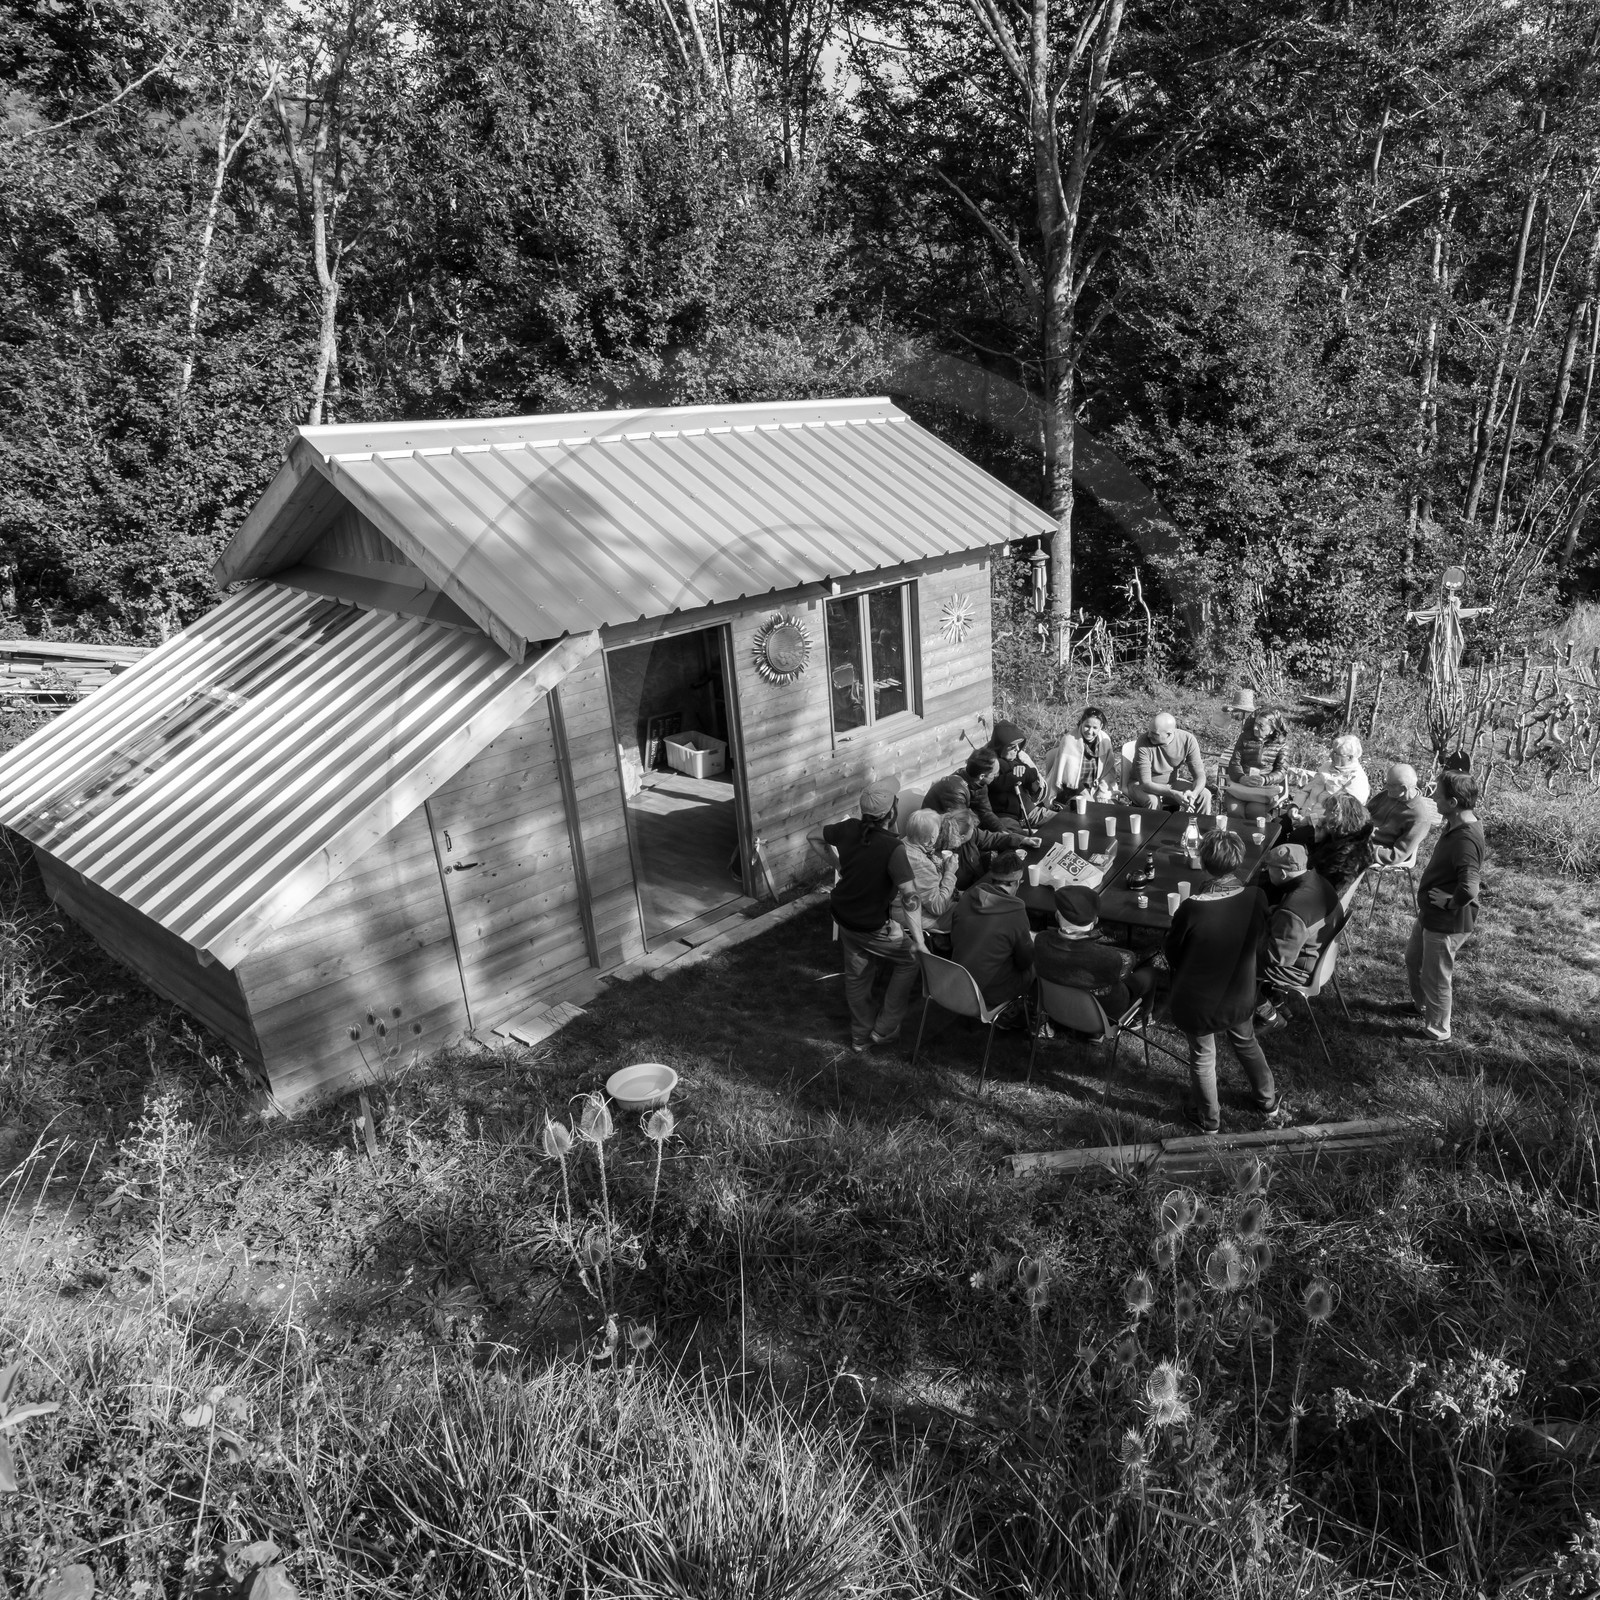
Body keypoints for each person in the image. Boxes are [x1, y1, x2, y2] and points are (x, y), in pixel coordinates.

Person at [1163, 830, 1282, 1133]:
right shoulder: (1256, 896)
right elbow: (1258, 938)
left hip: (1199, 1002)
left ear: (1203, 863)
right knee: (1247, 1043)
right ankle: (1267, 1102)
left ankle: (1209, 1120)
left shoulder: (1193, 907)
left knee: (1204, 1058)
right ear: (1239, 861)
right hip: (1240, 993)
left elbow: (1172, 952)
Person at [807, 783, 924, 1053]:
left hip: (843, 915)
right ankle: (884, 1028)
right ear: (892, 811)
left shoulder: (848, 829)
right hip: (870, 925)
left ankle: (860, 1037)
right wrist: (918, 940)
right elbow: (910, 895)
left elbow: (813, 837)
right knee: (911, 959)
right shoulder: (893, 848)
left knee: (857, 975)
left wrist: (840, 867)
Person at [1405, 769, 1485, 1044]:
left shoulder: (1465, 839)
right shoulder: (1455, 824)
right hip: (1431, 913)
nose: (1433, 798)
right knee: (1414, 960)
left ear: (1453, 803)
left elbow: (1470, 887)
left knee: (1436, 977)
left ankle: (1438, 1029)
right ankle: (1423, 1008)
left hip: (1447, 920)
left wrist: (1451, 901)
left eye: (1437, 795)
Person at [1033, 885, 1157, 1022]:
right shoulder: (1108, 957)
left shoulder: (1041, 941)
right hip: (1104, 1015)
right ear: (1095, 921)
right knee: (1150, 974)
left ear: (1057, 915)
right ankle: (1142, 1017)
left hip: (1057, 1007)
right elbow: (1127, 962)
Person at [1252, 842, 1340, 1033]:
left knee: (1229, 961)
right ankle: (1275, 999)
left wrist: (1249, 938)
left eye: (1270, 869)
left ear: (1283, 874)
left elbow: (1277, 957)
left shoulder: (1293, 910)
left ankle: (1269, 1016)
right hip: (1314, 951)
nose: (1267, 872)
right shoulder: (1317, 881)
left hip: (1297, 967)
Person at [950, 849, 1035, 1018]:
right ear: (1016, 882)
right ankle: (1028, 1016)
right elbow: (1025, 960)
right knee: (1038, 962)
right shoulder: (1015, 911)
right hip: (990, 991)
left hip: (957, 982)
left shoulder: (967, 896)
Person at [937, 807, 1039, 896]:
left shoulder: (971, 836)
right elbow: (941, 892)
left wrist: (1023, 839)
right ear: (962, 837)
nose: (974, 829)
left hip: (980, 886)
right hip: (964, 896)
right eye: (972, 828)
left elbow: (994, 838)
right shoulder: (938, 855)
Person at [1220, 689, 1289, 819]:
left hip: (1263, 787)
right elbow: (1234, 762)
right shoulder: (1245, 738)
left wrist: (1264, 779)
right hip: (1240, 785)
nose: (1255, 728)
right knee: (1235, 811)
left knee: (1254, 812)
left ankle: (1257, 838)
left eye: (1261, 726)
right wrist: (1241, 778)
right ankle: (1234, 838)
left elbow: (1281, 771)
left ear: (1272, 729)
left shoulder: (1281, 745)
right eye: (1255, 724)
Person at [901, 808, 961, 955]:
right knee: (973, 911)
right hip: (918, 917)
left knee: (971, 897)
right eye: (937, 833)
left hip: (902, 908)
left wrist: (940, 865)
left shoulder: (904, 842)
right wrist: (949, 873)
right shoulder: (920, 863)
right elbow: (938, 907)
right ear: (931, 839)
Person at [1130, 713, 1213, 812]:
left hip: (1171, 783)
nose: (1149, 735)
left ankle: (1196, 826)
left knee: (1204, 795)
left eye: (1154, 734)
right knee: (1153, 801)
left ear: (1169, 734)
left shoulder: (1187, 740)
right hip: (1140, 785)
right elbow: (1145, 784)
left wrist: (1194, 794)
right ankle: (1153, 827)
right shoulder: (1143, 742)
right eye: (1149, 731)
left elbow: (1199, 775)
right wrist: (1173, 793)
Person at [1367, 763, 1438, 866]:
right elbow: (1363, 814)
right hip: (1360, 838)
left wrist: (1365, 849)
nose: (1386, 787)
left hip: (1372, 849)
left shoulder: (1420, 818)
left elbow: (1395, 856)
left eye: (1390, 785)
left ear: (1404, 789)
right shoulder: (1389, 794)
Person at [1043, 706, 1116, 805]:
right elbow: (1069, 777)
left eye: (1094, 728)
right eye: (1087, 726)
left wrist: (1101, 793)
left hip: (1094, 789)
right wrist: (1087, 797)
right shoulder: (1069, 740)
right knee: (1086, 808)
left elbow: (1107, 772)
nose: (1090, 731)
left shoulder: (1104, 741)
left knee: (1111, 808)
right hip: (1071, 790)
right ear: (1081, 723)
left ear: (1101, 726)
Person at [925, 749, 1005, 833]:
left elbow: (985, 813)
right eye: (995, 774)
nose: (997, 775)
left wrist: (1003, 832)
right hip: (937, 833)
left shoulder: (979, 783)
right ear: (982, 776)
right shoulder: (954, 791)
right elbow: (961, 826)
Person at [986, 721, 1045, 823]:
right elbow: (995, 784)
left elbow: (1033, 773)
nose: (1017, 749)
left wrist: (1024, 772)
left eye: (1018, 745)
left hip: (1030, 812)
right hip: (1006, 818)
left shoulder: (1016, 757)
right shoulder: (988, 762)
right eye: (1012, 746)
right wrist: (1016, 776)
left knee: (1065, 821)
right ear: (1000, 746)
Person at [1303, 734, 1371, 809]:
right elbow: (1306, 790)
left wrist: (1310, 819)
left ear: (1350, 757)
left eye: (1336, 754)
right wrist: (1294, 806)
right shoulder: (1326, 766)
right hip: (1302, 814)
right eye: (1333, 751)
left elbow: (1343, 812)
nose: (1330, 755)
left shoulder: (1357, 779)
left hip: (1321, 819)